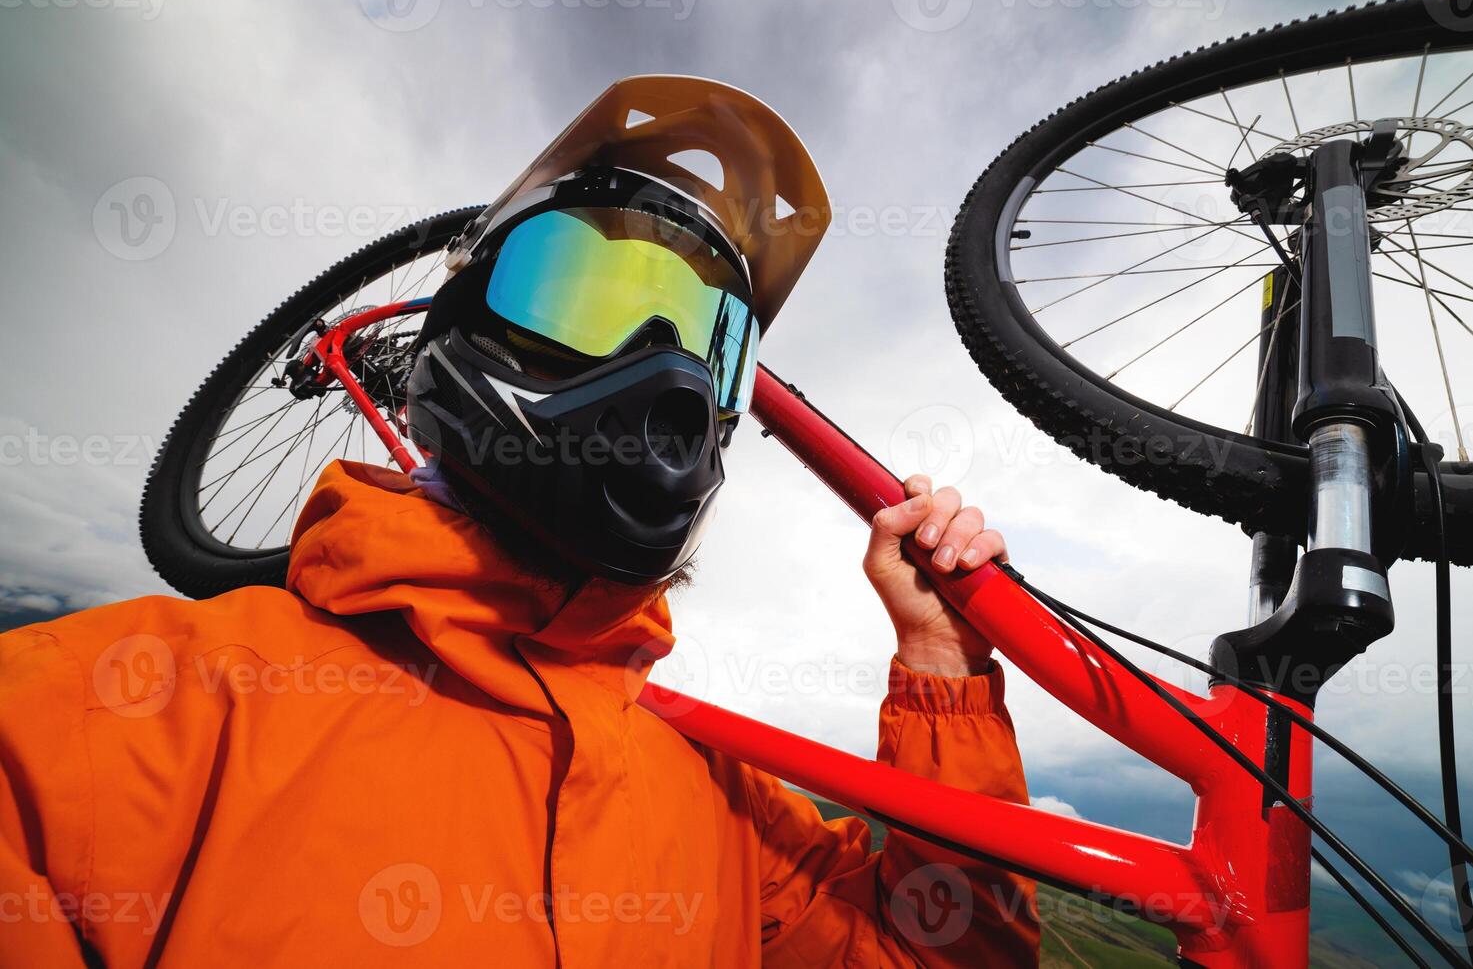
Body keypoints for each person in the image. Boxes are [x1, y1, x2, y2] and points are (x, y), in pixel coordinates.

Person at [0, 76, 1038, 967]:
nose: (664, 370)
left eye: (709, 343)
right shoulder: (137, 707)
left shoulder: (727, 799)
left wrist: (942, 667)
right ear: (468, 324)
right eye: (585, 291)